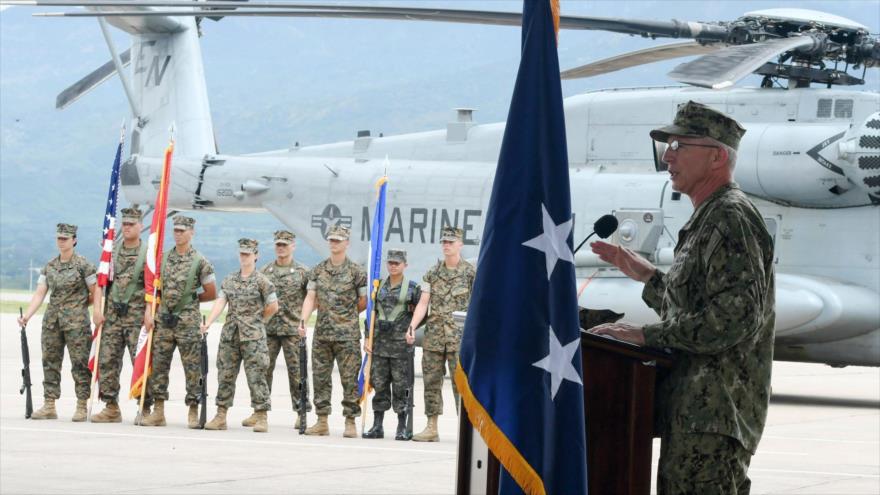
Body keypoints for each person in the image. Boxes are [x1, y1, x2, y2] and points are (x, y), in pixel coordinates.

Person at [588, 101, 775, 495]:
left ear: (716, 157)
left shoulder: (731, 217)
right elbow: (697, 308)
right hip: (693, 413)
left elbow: (734, 319)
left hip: (713, 415)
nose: (667, 156)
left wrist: (645, 336)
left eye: (680, 146)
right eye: (666, 146)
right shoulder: (710, 215)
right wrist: (645, 274)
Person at [18, 223, 102, 421]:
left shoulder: (84, 265)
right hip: (52, 323)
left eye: (65, 238)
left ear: (74, 240)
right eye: (59, 238)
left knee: (80, 364)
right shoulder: (50, 266)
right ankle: (49, 404)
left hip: (76, 325)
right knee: (50, 363)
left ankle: (81, 405)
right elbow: (40, 293)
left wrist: (92, 309)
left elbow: (96, 290)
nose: (61, 241)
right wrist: (27, 316)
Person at [141, 215, 217, 428]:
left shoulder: (200, 261)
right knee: (159, 366)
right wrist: (151, 310)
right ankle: (159, 411)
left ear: (192, 232)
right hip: (163, 320)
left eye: (182, 230)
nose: (178, 233)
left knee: (192, 367)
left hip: (187, 321)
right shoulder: (163, 258)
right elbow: (153, 289)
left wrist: (190, 301)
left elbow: (211, 292)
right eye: (175, 230)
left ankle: (193, 411)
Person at [202, 238, 278, 432]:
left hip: (253, 338)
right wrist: (209, 321)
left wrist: (257, 321)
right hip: (230, 335)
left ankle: (261, 416)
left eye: (248, 254)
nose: (244, 257)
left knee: (256, 376)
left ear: (256, 256)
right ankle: (221, 415)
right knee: (225, 375)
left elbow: (273, 306)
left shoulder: (263, 281)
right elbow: (220, 302)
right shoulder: (230, 279)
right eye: (242, 254)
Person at [299, 224, 367, 438]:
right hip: (322, 334)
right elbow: (311, 298)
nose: (334, 243)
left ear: (347, 243)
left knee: (349, 379)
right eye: (331, 240)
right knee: (320, 378)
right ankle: (322, 420)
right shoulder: (318, 270)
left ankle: (350, 421)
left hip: (347, 335)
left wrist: (344, 316)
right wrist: (303, 321)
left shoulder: (356, 272)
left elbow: (364, 301)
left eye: (338, 240)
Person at [410, 226, 476, 442]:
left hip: (459, 339)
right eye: (444, 242)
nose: (447, 245)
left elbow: (478, 305)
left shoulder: (470, 273)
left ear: (460, 244)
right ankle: (431, 426)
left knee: (462, 384)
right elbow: (423, 303)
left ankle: (465, 431)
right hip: (434, 337)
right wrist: (412, 326)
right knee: (431, 382)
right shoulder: (432, 273)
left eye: (451, 242)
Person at [91, 207, 152, 423]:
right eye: (124, 224)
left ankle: (144, 406)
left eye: (131, 224)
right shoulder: (111, 252)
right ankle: (111, 406)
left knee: (140, 361)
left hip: (137, 319)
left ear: (140, 226)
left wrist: (149, 313)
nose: (126, 227)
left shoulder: (148, 254)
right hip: (113, 317)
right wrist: (97, 310)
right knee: (108, 361)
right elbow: (100, 284)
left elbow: (152, 289)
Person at [362, 249, 420, 440]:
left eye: (397, 263)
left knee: (401, 386)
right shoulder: (377, 287)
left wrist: (411, 328)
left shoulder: (412, 289)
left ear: (405, 265)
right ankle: (377, 425)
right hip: (379, 345)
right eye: (391, 263)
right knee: (379, 385)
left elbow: (423, 311)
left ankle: (402, 427)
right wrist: (367, 338)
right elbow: (371, 314)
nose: (393, 266)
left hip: (400, 347)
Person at [258, 229, 311, 430]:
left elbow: (312, 299)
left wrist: (303, 321)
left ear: (293, 247)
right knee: (263, 371)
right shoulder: (264, 272)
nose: (281, 248)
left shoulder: (303, 273)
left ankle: (302, 412)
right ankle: (259, 411)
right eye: (278, 244)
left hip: (292, 330)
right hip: (269, 330)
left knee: (297, 373)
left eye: (285, 245)